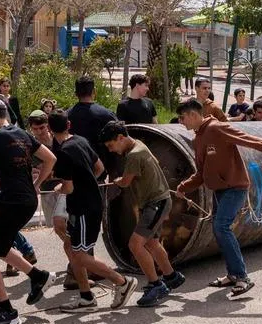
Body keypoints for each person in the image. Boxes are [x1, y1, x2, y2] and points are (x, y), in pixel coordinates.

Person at [175, 99, 262, 297]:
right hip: (220, 190)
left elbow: (246, 139)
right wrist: (183, 187)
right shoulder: (198, 139)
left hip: (235, 186)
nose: (180, 121)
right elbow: (201, 173)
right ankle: (233, 274)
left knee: (221, 226)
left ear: (193, 115)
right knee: (219, 229)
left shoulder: (217, 128)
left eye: (182, 117)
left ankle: (241, 277)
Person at [0, 97, 62, 324]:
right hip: (29, 200)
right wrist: (38, 183)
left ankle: (7, 310)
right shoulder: (22, 133)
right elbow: (50, 159)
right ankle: (38, 277)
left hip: (11, 201)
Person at [48, 111, 138, 312]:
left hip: (82, 209)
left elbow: (68, 188)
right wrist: (89, 183)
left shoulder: (63, 152)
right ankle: (86, 296)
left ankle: (122, 282)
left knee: (80, 255)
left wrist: (59, 189)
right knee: (70, 248)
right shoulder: (80, 141)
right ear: (69, 124)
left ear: (49, 130)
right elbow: (99, 168)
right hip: (92, 202)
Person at [101, 121, 185, 307]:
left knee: (135, 244)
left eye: (111, 145)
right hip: (158, 201)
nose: (111, 150)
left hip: (155, 204)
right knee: (152, 243)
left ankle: (156, 284)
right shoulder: (139, 144)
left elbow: (125, 182)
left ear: (121, 138)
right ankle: (171, 276)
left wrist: (116, 181)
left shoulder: (134, 155)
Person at [26, 110, 74, 288]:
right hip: (47, 190)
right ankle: (77, 254)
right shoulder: (31, 145)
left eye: (42, 127)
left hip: (64, 188)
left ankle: (77, 258)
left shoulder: (59, 140)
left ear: (48, 126)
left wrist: (51, 173)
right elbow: (37, 170)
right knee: (57, 227)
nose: (40, 132)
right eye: (36, 129)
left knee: (65, 224)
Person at [67, 75, 118, 164]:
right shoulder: (106, 115)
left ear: (76, 93)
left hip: (73, 166)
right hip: (101, 166)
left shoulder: (66, 115)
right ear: (94, 91)